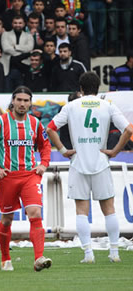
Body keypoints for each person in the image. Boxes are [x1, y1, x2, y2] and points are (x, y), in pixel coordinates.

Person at [46, 72, 133, 264]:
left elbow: (50, 128)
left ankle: (88, 254)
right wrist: (115, 151)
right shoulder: (107, 105)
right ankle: (114, 252)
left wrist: (62, 150)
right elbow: (128, 130)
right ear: (98, 87)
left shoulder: (71, 106)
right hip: (101, 162)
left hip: (78, 162)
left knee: (81, 211)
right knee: (109, 209)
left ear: (81, 89)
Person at [0, 85, 52, 272]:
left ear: (30, 103)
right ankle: (5, 259)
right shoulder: (0, 123)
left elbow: (46, 146)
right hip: (8, 178)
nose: (22, 104)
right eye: (19, 100)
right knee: (7, 219)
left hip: (29, 176)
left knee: (35, 213)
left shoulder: (35, 123)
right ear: (12, 101)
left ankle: (38, 258)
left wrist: (43, 164)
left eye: (26, 101)